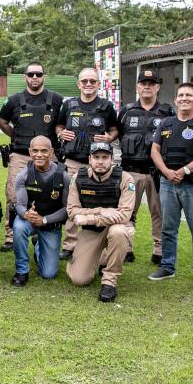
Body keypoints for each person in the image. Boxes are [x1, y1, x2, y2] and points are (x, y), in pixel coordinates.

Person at [148, 83, 193, 289]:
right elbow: (154, 150)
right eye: (181, 95)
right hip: (168, 183)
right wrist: (167, 172)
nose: (184, 98)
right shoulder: (165, 124)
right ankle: (167, 266)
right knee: (168, 228)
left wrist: (184, 171)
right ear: (176, 99)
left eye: (189, 95)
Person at [0, 62, 63, 252]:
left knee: (51, 195)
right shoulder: (15, 100)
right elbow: (2, 121)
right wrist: (16, 137)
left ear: (44, 76)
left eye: (38, 74)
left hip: (49, 158)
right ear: (25, 77)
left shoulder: (56, 100)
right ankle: (11, 236)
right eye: (31, 74)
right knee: (13, 195)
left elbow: (61, 125)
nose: (35, 78)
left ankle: (44, 229)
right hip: (20, 154)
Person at [55, 67, 120, 259]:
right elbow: (58, 125)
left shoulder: (106, 106)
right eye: (84, 81)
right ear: (79, 84)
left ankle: (103, 243)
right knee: (72, 202)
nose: (88, 84)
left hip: (99, 165)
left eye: (92, 81)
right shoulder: (69, 105)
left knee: (101, 201)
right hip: (75, 161)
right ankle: (70, 244)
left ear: (98, 84)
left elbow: (115, 129)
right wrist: (60, 133)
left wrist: (110, 137)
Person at [66, 142, 136, 303]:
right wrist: (103, 211)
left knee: (118, 231)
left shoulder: (125, 178)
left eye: (105, 157)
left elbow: (124, 215)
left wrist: (90, 217)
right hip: (91, 232)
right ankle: (101, 257)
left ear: (112, 159)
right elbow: (72, 212)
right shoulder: (78, 178)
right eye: (96, 157)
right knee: (79, 279)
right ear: (89, 159)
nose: (100, 161)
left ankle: (109, 282)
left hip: (116, 228)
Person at [117, 69, 174, 264]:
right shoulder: (126, 112)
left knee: (158, 212)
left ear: (157, 87)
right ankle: (126, 247)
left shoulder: (167, 113)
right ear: (138, 87)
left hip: (157, 172)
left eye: (151, 83)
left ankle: (159, 250)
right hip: (130, 170)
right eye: (143, 83)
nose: (147, 87)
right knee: (127, 211)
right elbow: (113, 134)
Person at [10, 136, 69, 286]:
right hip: (30, 220)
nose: (39, 154)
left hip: (50, 224)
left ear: (51, 152)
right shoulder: (23, 175)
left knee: (48, 274)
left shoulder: (64, 176)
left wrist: (44, 220)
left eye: (44, 151)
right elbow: (20, 204)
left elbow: (67, 209)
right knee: (18, 226)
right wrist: (25, 214)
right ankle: (22, 271)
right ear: (30, 152)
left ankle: (38, 245)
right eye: (35, 151)